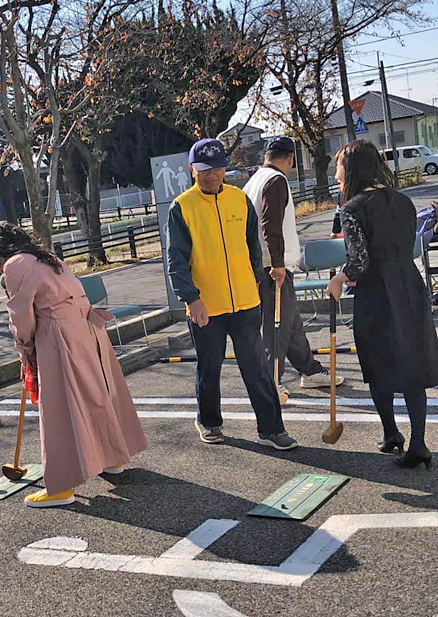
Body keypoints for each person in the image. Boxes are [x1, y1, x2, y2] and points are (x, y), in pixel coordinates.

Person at [0, 222, 147, 507]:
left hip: (59, 335)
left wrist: (25, 351)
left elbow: (21, 317)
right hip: (86, 330)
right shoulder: (46, 258)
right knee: (95, 396)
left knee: (58, 409)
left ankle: (60, 487)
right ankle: (112, 457)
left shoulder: (17, 265)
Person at [166, 138, 297, 450]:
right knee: (209, 367)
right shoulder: (182, 207)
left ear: (225, 168)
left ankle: (271, 429)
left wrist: (254, 280)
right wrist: (190, 297)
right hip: (205, 306)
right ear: (192, 170)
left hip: (246, 302)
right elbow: (175, 260)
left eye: (216, 169)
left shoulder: (239, 200)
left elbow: (253, 247)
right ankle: (209, 421)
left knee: (257, 367)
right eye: (204, 171)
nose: (211, 176)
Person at [328, 140, 438, 470]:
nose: (336, 173)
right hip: (409, 286)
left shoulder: (351, 208)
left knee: (378, 363)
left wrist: (338, 280)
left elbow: (360, 262)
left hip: (377, 293)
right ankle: (417, 442)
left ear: (352, 169)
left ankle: (392, 433)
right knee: (412, 363)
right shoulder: (404, 201)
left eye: (339, 166)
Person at [243, 137, 344, 397]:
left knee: (290, 323)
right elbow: (270, 223)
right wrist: (277, 263)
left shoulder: (253, 181)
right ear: (290, 159)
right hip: (273, 267)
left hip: (263, 264)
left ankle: (309, 369)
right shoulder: (276, 181)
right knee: (277, 326)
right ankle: (271, 382)